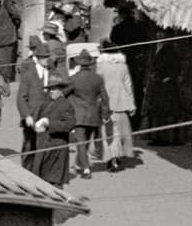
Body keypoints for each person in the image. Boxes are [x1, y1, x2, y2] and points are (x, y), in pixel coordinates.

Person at [65, 48, 108, 179]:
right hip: (93, 114)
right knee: (86, 141)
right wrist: (105, 113)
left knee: (81, 142)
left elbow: (64, 93)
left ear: (79, 64)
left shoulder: (74, 79)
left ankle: (86, 168)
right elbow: (105, 98)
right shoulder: (97, 79)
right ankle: (81, 163)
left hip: (79, 115)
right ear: (90, 64)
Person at [16, 41, 56, 179]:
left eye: (47, 56)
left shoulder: (53, 73)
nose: (46, 60)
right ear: (37, 58)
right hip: (32, 117)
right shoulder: (28, 75)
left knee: (46, 146)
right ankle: (26, 174)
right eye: (43, 57)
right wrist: (26, 115)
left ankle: (41, 174)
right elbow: (21, 98)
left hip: (47, 116)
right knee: (29, 146)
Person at [96, 40, 137, 172]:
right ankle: (119, 155)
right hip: (121, 100)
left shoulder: (100, 66)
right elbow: (128, 85)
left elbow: (97, 85)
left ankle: (110, 157)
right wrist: (132, 104)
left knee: (107, 131)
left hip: (105, 101)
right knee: (121, 130)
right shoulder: (123, 66)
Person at [35, 75, 77, 187]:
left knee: (53, 183)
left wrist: (50, 123)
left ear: (60, 90)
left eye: (54, 89)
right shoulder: (47, 103)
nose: (51, 91)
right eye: (50, 89)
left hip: (56, 148)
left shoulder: (66, 105)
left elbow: (69, 125)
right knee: (42, 180)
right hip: (44, 145)